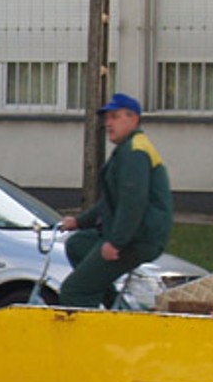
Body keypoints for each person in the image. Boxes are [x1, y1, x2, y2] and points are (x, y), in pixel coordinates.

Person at [57, 92, 172, 308]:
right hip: (133, 235)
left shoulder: (135, 152)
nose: (108, 123)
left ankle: (92, 327)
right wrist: (79, 222)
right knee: (78, 245)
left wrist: (116, 242)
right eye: (107, 118)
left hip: (138, 239)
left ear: (133, 119)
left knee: (75, 291)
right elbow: (109, 202)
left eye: (115, 117)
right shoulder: (127, 149)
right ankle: (115, 309)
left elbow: (132, 203)